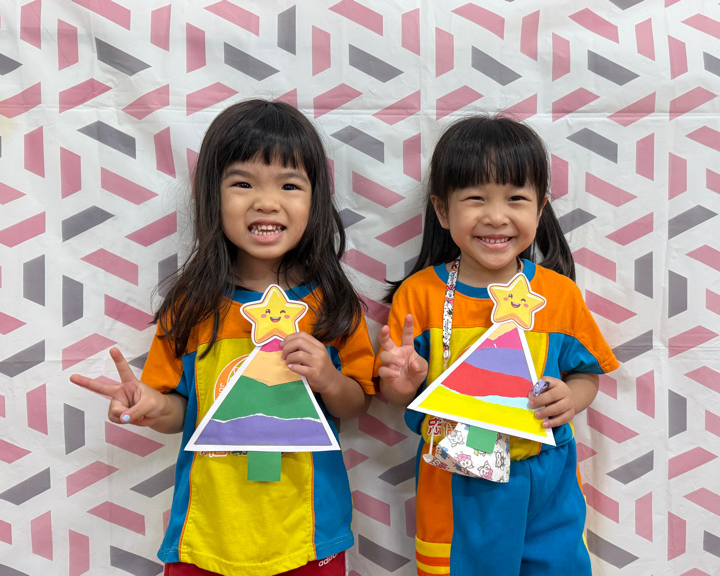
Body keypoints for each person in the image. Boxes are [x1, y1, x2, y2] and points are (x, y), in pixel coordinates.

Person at [70, 99, 375, 576]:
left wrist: (329, 379)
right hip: (206, 534)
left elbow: (357, 403)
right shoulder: (191, 305)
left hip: (310, 533)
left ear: (315, 200)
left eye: (289, 185)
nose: (266, 202)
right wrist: (150, 407)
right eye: (242, 183)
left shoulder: (333, 304)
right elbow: (180, 413)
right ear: (212, 197)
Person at [376, 115, 620, 575]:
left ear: (540, 209)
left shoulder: (559, 295)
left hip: (547, 480)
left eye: (516, 198)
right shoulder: (419, 296)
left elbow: (587, 374)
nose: (495, 216)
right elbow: (395, 393)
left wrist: (572, 397)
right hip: (455, 480)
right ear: (442, 211)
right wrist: (401, 384)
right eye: (475, 198)